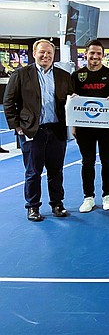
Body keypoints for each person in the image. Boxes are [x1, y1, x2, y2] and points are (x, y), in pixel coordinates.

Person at [3, 39, 73, 221]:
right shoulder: (20, 74)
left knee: (56, 171)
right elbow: (9, 103)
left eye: (49, 53)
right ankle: (33, 207)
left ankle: (57, 204)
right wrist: (17, 126)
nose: (46, 56)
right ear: (34, 54)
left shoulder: (64, 76)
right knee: (33, 172)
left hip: (56, 130)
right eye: (42, 52)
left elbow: (71, 101)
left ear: (53, 55)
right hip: (31, 131)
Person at [71, 40, 109, 213]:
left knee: (107, 160)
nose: (95, 56)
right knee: (88, 161)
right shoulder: (77, 75)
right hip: (84, 128)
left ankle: (107, 195)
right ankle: (88, 197)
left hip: (106, 126)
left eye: (99, 53)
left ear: (103, 55)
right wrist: (74, 124)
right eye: (92, 53)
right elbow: (72, 102)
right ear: (86, 54)